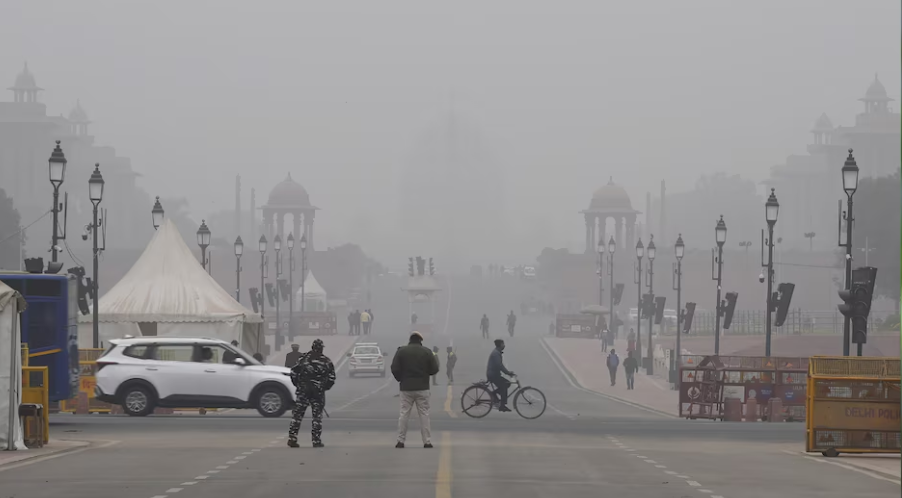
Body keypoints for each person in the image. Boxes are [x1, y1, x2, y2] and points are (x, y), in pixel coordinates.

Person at [391, 332, 439, 448]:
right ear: (420, 341)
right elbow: (434, 369)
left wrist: (400, 379)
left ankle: (400, 441)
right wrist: (425, 373)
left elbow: (394, 368)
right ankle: (427, 441)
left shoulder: (401, 351)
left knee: (404, 414)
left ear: (410, 340)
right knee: (424, 414)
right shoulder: (426, 351)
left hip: (406, 388)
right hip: (422, 388)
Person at [287, 339, 336, 448]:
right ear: (321, 348)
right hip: (317, 393)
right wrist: (323, 387)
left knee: (297, 416)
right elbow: (332, 378)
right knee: (317, 417)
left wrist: (299, 385)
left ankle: (292, 438)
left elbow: (293, 373)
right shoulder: (326, 361)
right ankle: (316, 440)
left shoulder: (303, 359)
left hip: (303, 391)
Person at [486, 339, 515, 412]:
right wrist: (508, 373)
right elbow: (499, 365)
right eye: (503, 344)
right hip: (493, 375)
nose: (504, 345)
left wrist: (507, 373)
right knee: (505, 385)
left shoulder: (497, 352)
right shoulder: (496, 354)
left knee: (506, 385)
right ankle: (501, 404)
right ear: (500, 345)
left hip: (494, 374)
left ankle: (498, 399)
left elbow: (499, 365)